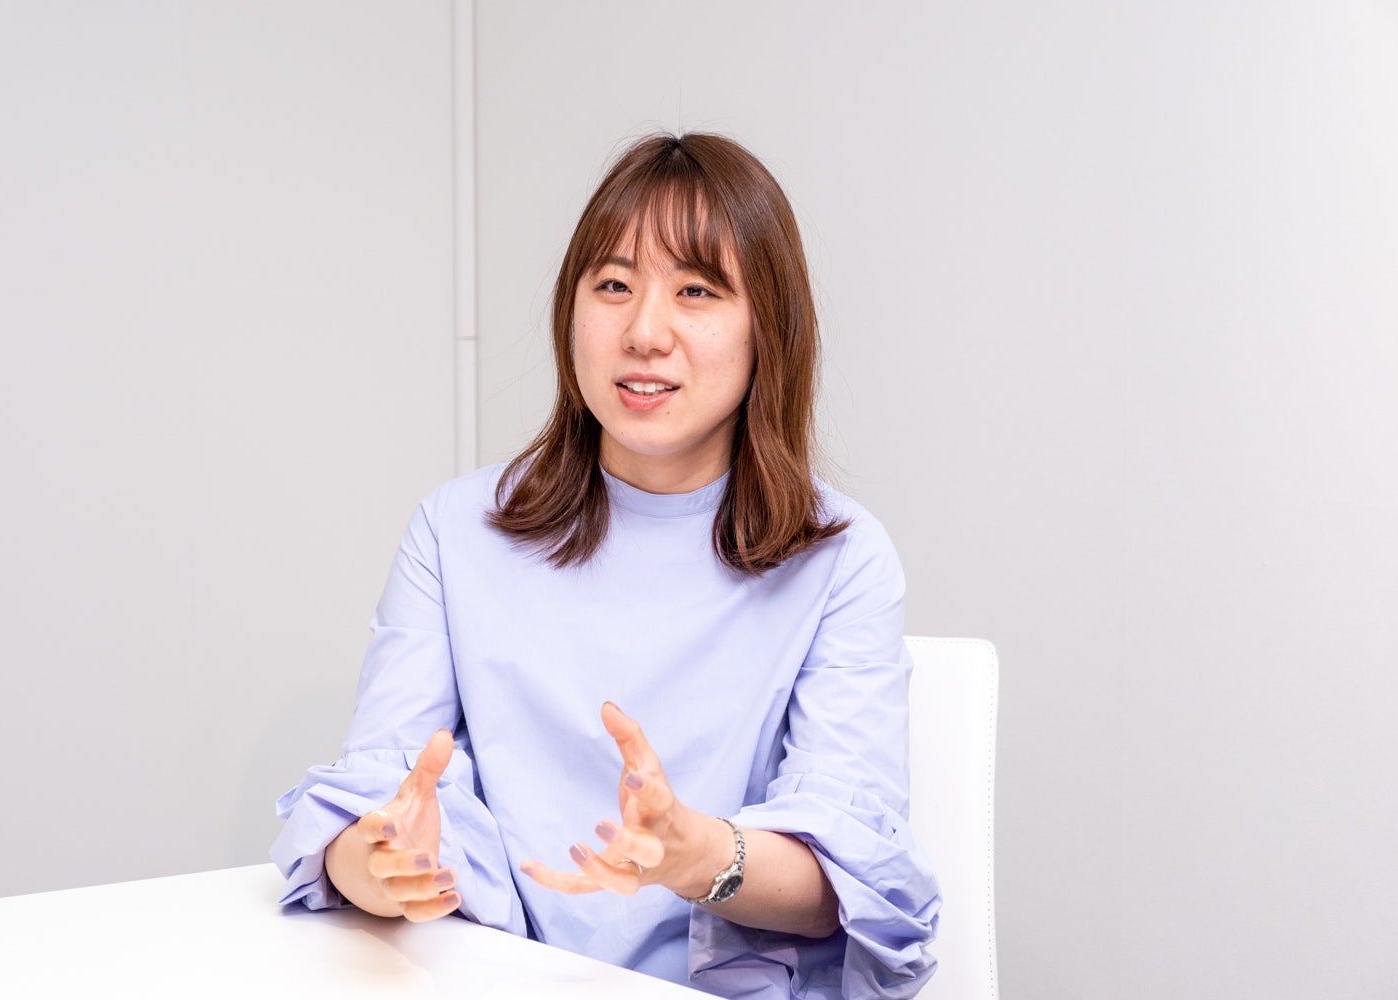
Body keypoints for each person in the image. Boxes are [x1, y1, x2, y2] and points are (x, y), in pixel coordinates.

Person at [271, 132, 940, 998]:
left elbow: (843, 886)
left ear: (767, 327)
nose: (645, 333)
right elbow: (380, 802)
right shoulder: (455, 532)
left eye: (696, 291)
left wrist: (693, 851)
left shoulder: (840, 558)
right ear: (571, 311)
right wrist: (377, 864)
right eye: (614, 285)